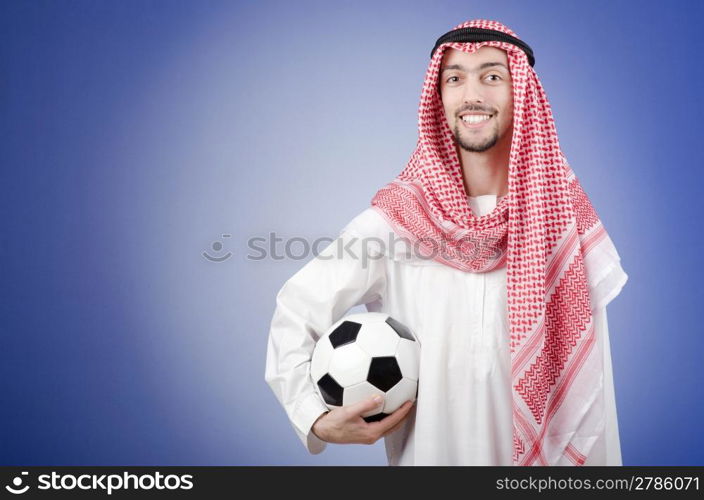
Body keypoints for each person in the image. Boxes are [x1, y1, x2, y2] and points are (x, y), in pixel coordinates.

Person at [264, 19, 628, 466]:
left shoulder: (563, 222)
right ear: (438, 98)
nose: (472, 94)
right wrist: (314, 416)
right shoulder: (395, 222)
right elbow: (295, 312)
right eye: (454, 78)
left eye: (492, 76)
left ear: (523, 96)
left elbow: (591, 392)